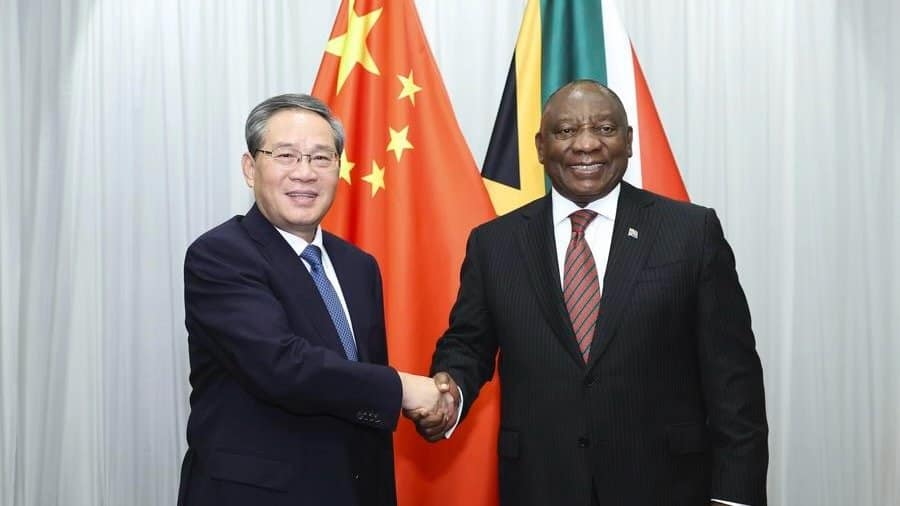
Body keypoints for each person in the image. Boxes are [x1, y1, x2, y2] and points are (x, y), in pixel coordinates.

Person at [413, 80, 768, 506]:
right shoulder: (494, 244)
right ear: (540, 146)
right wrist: (450, 391)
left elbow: (735, 385)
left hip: (666, 486)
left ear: (628, 141)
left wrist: (735, 499)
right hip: (540, 485)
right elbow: (468, 345)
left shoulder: (691, 233)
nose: (586, 144)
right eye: (566, 131)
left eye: (605, 129)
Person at [177, 93, 448, 506]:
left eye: (321, 158)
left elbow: (358, 385)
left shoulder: (358, 266)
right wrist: (403, 389)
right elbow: (281, 366)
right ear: (250, 168)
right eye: (286, 155)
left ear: (339, 168)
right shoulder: (220, 255)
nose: (304, 173)